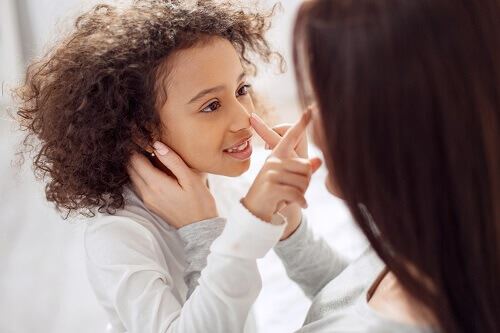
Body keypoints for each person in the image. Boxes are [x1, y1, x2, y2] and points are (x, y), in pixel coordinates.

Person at [131, 0, 500, 332]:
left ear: (397, 125)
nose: (310, 118)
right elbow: (353, 296)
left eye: (321, 97)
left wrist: (205, 240)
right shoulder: (443, 236)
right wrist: (292, 231)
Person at [15, 1, 321, 332]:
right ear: (143, 131)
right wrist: (204, 231)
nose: (244, 118)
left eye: (241, 89)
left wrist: (288, 217)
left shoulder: (225, 185)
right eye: (211, 105)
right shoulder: (118, 236)